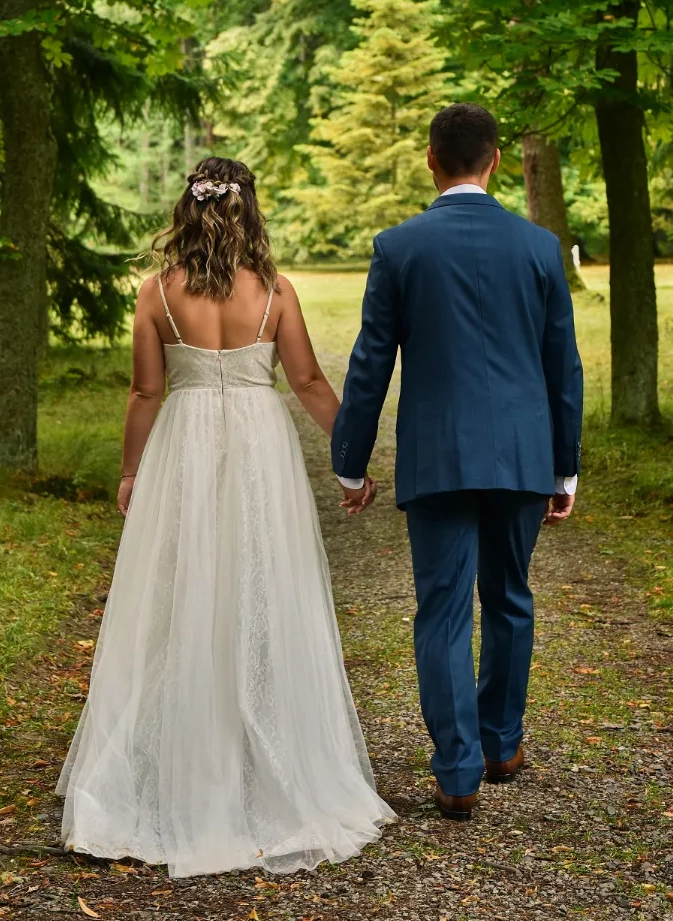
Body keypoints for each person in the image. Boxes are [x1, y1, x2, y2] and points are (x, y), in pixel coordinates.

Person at [56, 157, 394, 878]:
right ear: (249, 212)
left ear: (188, 211)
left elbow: (145, 393)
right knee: (261, 587)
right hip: (258, 447)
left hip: (183, 445)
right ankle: (257, 746)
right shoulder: (275, 290)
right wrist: (352, 459)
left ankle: (187, 749)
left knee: (182, 594)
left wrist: (130, 471)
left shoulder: (156, 291)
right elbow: (307, 380)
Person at [332, 103, 583, 821]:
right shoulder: (539, 246)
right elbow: (563, 366)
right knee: (509, 597)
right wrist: (563, 467)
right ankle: (501, 743)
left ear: (431, 160)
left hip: (439, 456)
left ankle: (458, 772)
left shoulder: (399, 247)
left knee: (442, 609)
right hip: (521, 454)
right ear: (496, 159)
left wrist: (351, 461)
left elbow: (371, 360)